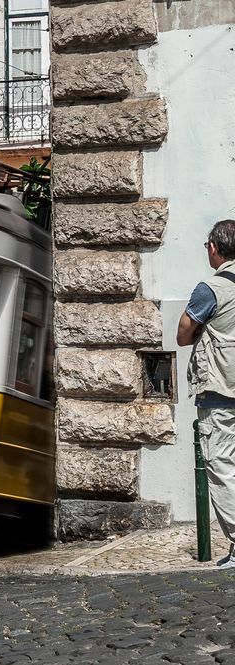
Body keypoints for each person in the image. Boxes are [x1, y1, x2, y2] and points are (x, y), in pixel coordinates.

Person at [177, 219, 235, 569]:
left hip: (221, 393)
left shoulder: (211, 288)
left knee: (221, 466)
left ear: (214, 248)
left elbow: (183, 334)